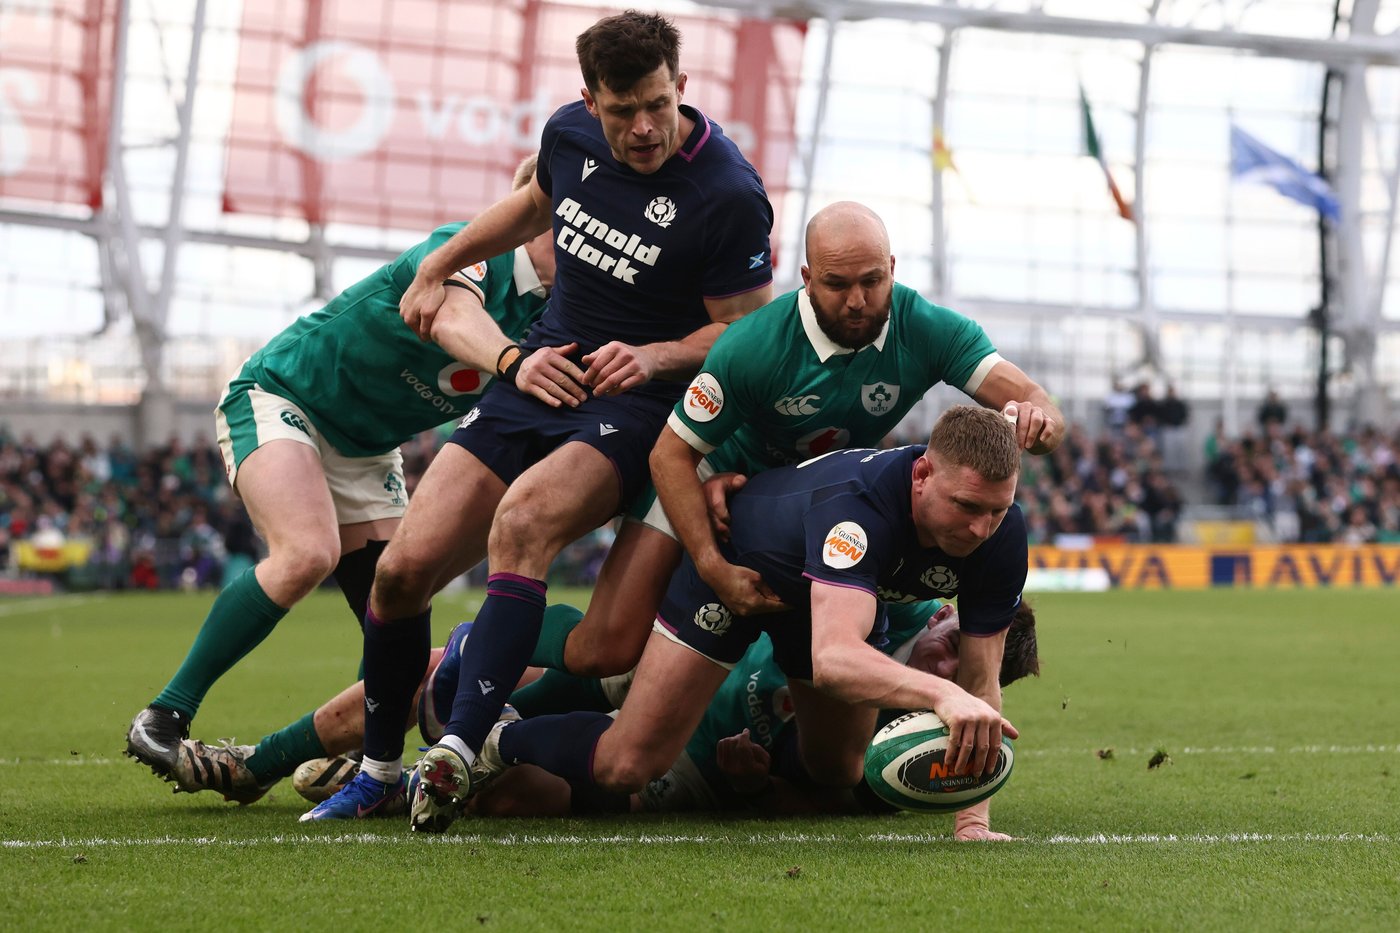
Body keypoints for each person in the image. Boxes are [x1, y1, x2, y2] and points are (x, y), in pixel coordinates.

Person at [310, 10, 775, 821]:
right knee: (400, 571)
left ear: (681, 87)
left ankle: (457, 753)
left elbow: (745, 331)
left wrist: (655, 356)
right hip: (538, 371)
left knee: (522, 524)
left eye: (658, 105)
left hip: (633, 403)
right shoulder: (569, 136)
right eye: (622, 109)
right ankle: (378, 771)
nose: (643, 127)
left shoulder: (728, 193)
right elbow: (533, 206)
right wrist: (439, 264)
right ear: (590, 101)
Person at [122, 156, 556, 787]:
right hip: (284, 396)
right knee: (307, 553)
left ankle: (359, 761)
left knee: (400, 603)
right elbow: (452, 317)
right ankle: (164, 716)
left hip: (369, 448)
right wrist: (514, 361)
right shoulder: (470, 253)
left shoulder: (554, 313)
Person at [410, 405, 1028, 834]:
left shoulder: (1001, 537)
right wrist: (942, 694)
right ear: (922, 474)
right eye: (966, 506)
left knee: (837, 768)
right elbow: (835, 658)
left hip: (812, 605)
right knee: (628, 763)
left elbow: (982, 678)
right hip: (738, 573)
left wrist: (971, 821)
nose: (981, 529)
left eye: (996, 511)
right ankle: (496, 739)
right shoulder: (858, 511)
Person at [172, 602, 1039, 838]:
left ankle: (399, 784)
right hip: (665, 663)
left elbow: (828, 802)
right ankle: (255, 764)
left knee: (526, 800)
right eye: (946, 647)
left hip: (686, 765)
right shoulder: (896, 596)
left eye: (959, 671)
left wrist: (762, 783)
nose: (940, 670)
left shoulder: (915, 751)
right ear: (943, 617)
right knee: (438, 669)